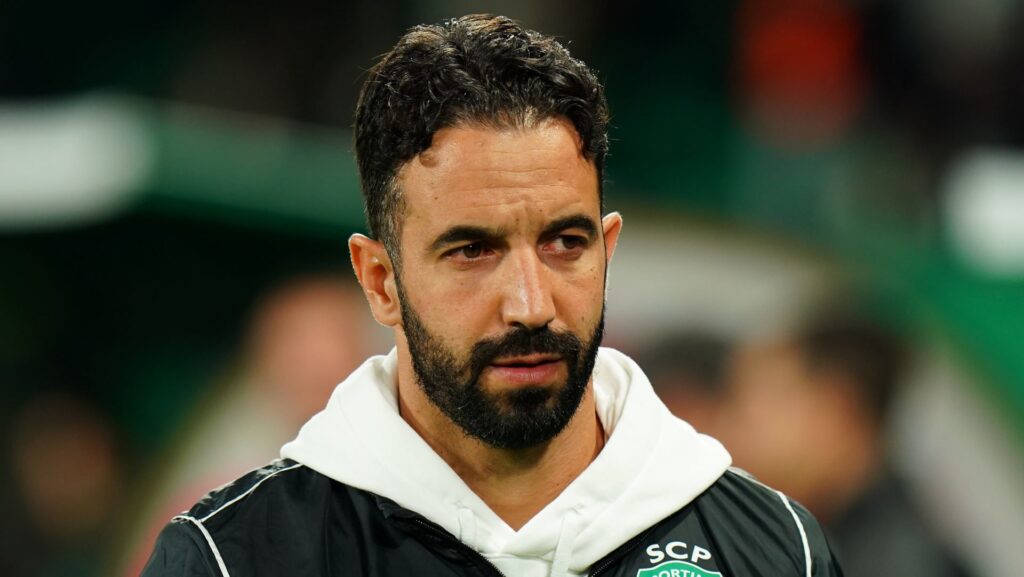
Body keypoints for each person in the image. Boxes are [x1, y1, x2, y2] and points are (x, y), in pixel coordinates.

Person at [141, 14, 841, 577]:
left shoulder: (776, 551)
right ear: (379, 281)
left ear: (609, 251)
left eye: (566, 243)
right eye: (472, 250)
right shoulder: (234, 557)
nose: (530, 304)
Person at [722, 315, 970, 577]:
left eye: (749, 409)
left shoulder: (893, 561)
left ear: (836, 408)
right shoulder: (815, 535)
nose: (727, 432)